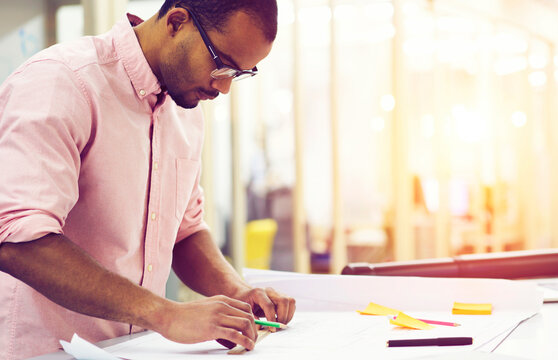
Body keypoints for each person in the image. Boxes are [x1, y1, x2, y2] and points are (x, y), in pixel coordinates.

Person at [0, 0, 295, 359]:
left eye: (240, 74)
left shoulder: (186, 112)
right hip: (45, 351)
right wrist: (164, 313)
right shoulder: (63, 81)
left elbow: (185, 230)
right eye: (222, 66)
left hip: (133, 349)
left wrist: (237, 291)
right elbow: (18, 240)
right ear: (176, 22)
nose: (224, 89)